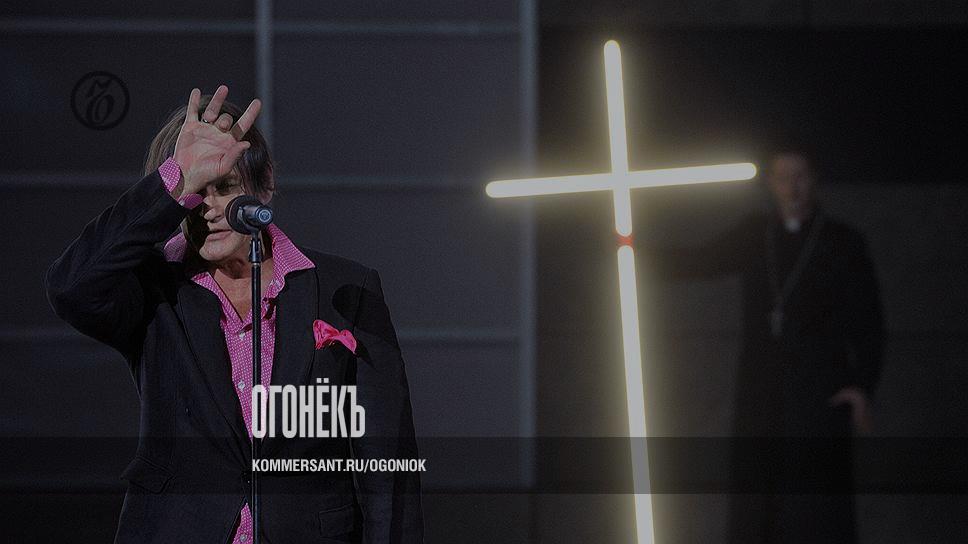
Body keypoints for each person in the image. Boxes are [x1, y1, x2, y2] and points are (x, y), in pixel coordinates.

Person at [45, 85, 423, 543]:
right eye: (195, 192)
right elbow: (70, 286)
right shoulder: (152, 288)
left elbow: (387, 461)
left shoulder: (346, 288)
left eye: (224, 187)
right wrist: (173, 181)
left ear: (264, 187)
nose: (208, 210)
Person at [651, 150, 885, 543]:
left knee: (816, 507)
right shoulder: (755, 235)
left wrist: (862, 385)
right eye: (783, 177)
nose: (793, 187)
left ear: (814, 180)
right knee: (758, 503)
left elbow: (870, 321)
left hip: (819, 394)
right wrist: (633, 251)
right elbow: (700, 261)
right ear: (770, 184)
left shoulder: (842, 241)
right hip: (762, 395)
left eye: (801, 176)